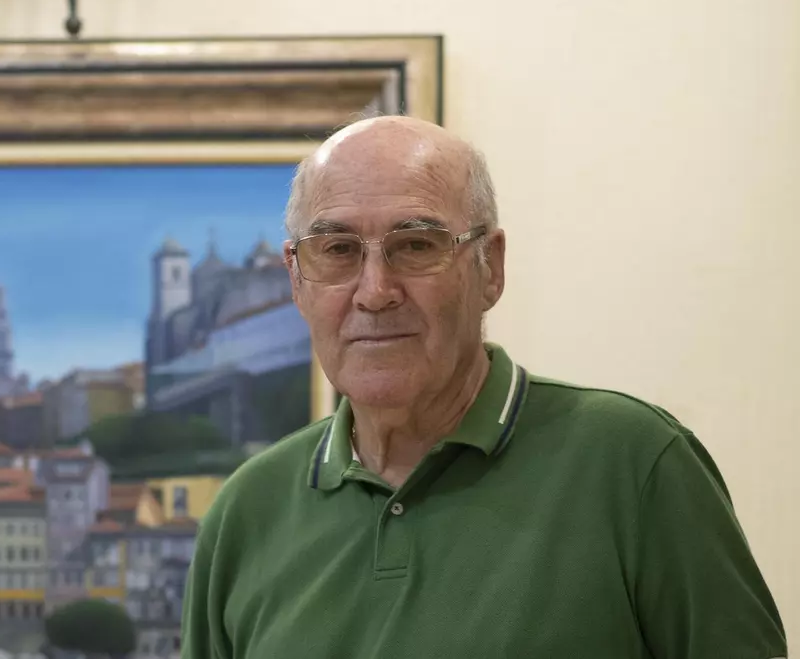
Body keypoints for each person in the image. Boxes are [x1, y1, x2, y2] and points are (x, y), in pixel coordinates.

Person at [179, 115, 787, 658]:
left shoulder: (636, 465)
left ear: (490, 267)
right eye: (337, 250)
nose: (374, 292)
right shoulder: (246, 512)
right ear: (296, 279)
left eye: (416, 245)